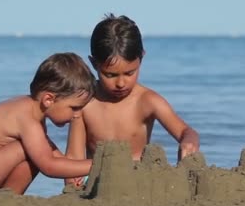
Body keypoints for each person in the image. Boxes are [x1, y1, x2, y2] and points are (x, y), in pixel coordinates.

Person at [65, 14, 200, 187]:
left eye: (129, 73)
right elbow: (73, 160)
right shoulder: (84, 102)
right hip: (95, 181)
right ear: (94, 64)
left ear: (141, 58)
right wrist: (73, 181)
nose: (121, 83)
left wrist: (189, 141)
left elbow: (185, 131)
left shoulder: (147, 100)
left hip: (138, 180)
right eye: (110, 75)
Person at [0, 52, 96, 194]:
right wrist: (95, 165)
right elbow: (49, 166)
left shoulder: (31, 109)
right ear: (48, 100)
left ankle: (10, 197)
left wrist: (72, 170)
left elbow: (49, 149)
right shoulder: (28, 119)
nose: (77, 115)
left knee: (37, 151)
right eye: (74, 108)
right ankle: (10, 195)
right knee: (33, 153)